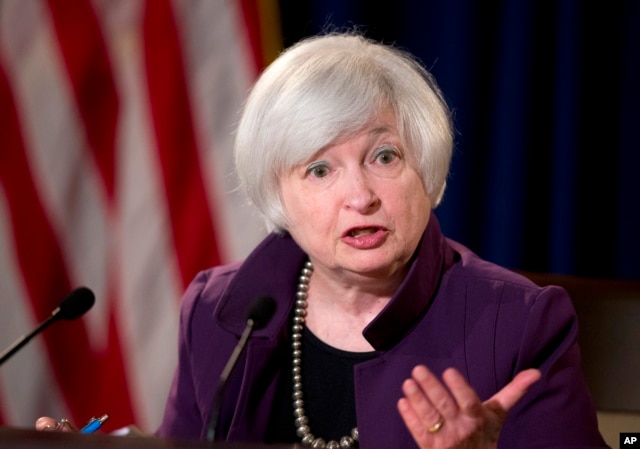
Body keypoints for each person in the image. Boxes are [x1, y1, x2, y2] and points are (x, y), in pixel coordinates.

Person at [36, 32, 608, 448]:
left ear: (425, 171)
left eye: (384, 156)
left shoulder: (519, 322)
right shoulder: (220, 312)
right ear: (278, 195)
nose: (360, 196)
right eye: (319, 169)